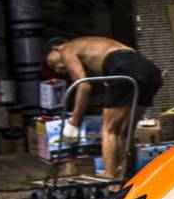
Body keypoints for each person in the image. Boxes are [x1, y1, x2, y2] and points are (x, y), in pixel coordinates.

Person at [40, 36, 163, 181]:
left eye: (51, 63)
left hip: (124, 68)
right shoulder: (98, 47)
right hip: (149, 70)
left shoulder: (67, 48)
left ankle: (111, 181)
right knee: (126, 131)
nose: (57, 70)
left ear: (55, 49)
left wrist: (73, 123)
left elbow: (84, 86)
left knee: (109, 131)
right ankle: (127, 176)